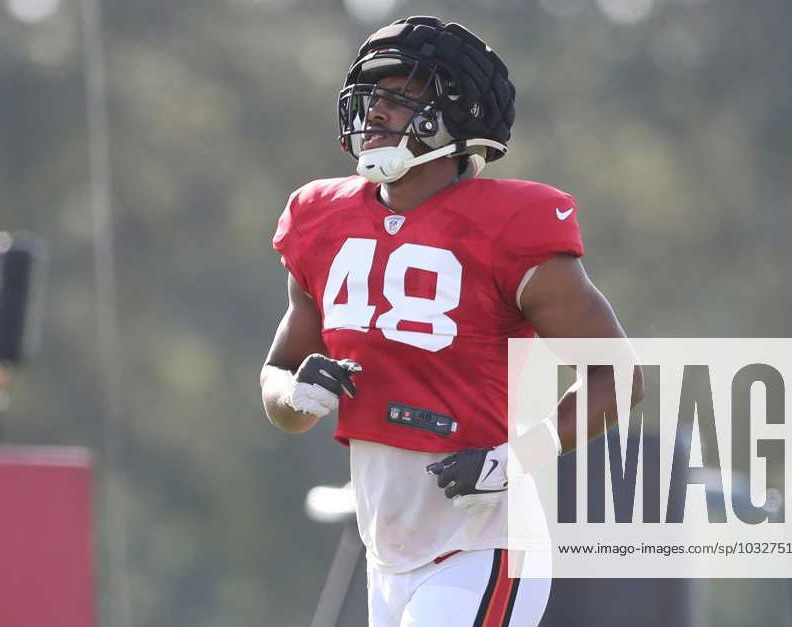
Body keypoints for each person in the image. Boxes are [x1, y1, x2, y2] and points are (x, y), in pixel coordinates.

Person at [261, 16, 640, 626]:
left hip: (483, 544)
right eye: (372, 94)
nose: (375, 111)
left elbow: (618, 378)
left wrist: (514, 459)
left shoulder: (511, 224)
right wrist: (292, 394)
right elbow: (278, 381)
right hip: (385, 553)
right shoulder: (319, 218)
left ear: (457, 113)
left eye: (400, 95)